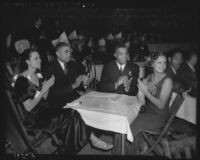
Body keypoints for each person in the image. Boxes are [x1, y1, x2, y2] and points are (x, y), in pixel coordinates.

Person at [13, 49, 113, 154]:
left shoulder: (38, 74)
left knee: (75, 111)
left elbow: (44, 98)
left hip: (46, 110)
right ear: (27, 62)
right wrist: (44, 89)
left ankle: (81, 142)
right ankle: (87, 141)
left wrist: (47, 87)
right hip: (34, 117)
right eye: (36, 58)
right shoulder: (21, 81)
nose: (40, 60)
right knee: (70, 115)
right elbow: (28, 107)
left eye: (39, 57)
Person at [112, 52, 173, 155]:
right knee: (123, 119)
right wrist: (140, 92)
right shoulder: (149, 77)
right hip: (148, 112)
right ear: (151, 63)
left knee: (130, 126)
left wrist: (145, 92)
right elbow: (142, 103)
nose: (162, 66)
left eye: (164, 63)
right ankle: (126, 150)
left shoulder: (167, 81)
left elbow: (161, 105)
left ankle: (123, 152)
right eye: (159, 62)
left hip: (159, 117)